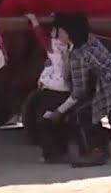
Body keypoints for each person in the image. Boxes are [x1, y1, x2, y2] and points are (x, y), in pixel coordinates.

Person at [42, 12, 111, 167]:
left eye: (60, 30)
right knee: (85, 109)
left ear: (69, 32)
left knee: (83, 113)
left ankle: (93, 153)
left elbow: (78, 92)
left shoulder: (78, 55)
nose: (57, 33)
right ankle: (96, 149)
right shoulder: (88, 39)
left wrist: (59, 111)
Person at [26, 13, 72, 163]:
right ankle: (62, 151)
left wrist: (34, 20)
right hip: (65, 90)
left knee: (47, 122)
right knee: (62, 122)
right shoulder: (69, 46)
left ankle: (49, 154)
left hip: (52, 90)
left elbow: (40, 36)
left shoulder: (54, 46)